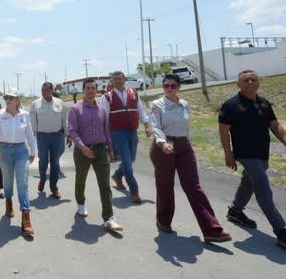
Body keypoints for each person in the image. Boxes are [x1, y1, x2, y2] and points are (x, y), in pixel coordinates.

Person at [218, 70, 286, 249]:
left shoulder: (264, 103)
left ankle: (235, 211)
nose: (250, 82)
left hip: (262, 153)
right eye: (246, 80)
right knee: (263, 190)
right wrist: (228, 154)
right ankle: (281, 232)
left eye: (254, 79)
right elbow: (223, 130)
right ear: (238, 84)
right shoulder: (230, 105)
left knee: (248, 182)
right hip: (245, 153)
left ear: (259, 82)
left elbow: (274, 124)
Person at [149, 73, 231, 243]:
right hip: (163, 147)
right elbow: (155, 126)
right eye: (166, 85)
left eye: (173, 85)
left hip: (184, 147)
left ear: (179, 87)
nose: (169, 88)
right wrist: (163, 143)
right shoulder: (157, 104)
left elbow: (184, 128)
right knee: (165, 186)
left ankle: (211, 230)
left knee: (194, 186)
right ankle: (163, 221)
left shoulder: (184, 104)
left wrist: (188, 145)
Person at [67, 78, 123, 232]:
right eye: (88, 88)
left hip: (100, 150)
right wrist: (82, 146)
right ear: (83, 90)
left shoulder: (102, 110)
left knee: (105, 184)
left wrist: (110, 149)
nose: (90, 90)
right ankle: (81, 203)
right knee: (81, 179)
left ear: (96, 90)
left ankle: (109, 218)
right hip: (82, 151)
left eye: (93, 88)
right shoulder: (75, 109)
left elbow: (106, 131)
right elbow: (72, 130)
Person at [0, 88, 37, 235]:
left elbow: (29, 134)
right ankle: (9, 202)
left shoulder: (24, 115)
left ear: (17, 99)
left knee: (23, 182)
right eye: (6, 98)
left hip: (21, 151)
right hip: (4, 151)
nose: (8, 101)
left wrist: (32, 151)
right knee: (8, 180)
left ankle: (26, 217)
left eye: (11, 98)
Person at [104, 71, 151, 203]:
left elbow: (141, 111)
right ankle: (134, 190)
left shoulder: (134, 93)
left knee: (132, 158)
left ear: (124, 80)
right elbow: (104, 118)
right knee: (126, 161)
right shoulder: (107, 97)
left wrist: (147, 126)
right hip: (117, 133)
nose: (118, 81)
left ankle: (118, 175)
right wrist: (106, 138)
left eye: (120, 78)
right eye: (115, 79)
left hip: (132, 131)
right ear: (112, 82)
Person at [30, 81, 67, 198]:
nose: (45, 92)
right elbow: (33, 122)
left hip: (57, 136)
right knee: (43, 161)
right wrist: (33, 137)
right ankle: (42, 179)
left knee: (55, 163)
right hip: (42, 136)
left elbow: (64, 120)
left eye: (47, 90)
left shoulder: (59, 103)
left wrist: (67, 134)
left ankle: (54, 188)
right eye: (43, 90)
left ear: (52, 91)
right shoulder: (35, 104)